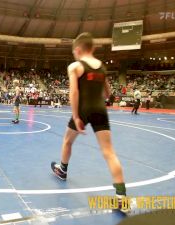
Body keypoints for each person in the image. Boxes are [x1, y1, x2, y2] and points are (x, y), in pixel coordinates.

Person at [51, 32, 127, 211]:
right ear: (92, 48)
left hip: (84, 110)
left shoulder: (75, 66)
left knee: (67, 141)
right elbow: (107, 94)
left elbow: (74, 92)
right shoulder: (102, 67)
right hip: (100, 110)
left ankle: (62, 170)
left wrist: (77, 116)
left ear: (77, 50)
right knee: (109, 152)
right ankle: (121, 198)